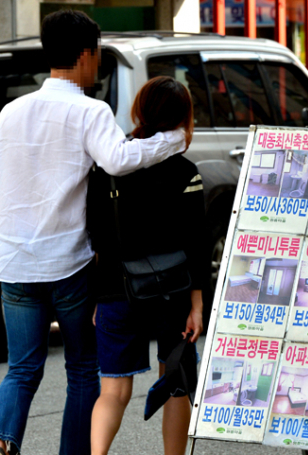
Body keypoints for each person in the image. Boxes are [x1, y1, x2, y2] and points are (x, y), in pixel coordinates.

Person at [0, 11, 187, 455]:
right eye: (97, 55)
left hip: (15, 265)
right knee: (80, 370)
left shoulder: (9, 113)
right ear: (86, 54)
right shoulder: (88, 110)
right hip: (68, 265)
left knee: (20, 369)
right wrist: (172, 140)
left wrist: (4, 247)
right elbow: (118, 159)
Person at [87, 76, 208, 455]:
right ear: (183, 117)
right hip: (171, 293)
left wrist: (96, 296)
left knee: (113, 390)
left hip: (115, 289)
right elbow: (197, 243)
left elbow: (95, 234)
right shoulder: (185, 171)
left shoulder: (110, 165)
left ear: (140, 110)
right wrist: (198, 303)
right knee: (175, 384)